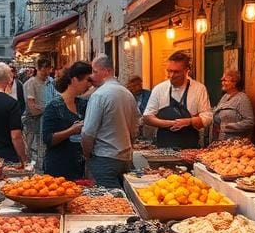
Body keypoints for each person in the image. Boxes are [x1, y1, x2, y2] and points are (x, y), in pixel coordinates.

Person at [81, 55, 140, 188]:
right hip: (125, 157)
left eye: (95, 71)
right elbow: (135, 128)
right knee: (121, 200)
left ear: (107, 71)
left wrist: (86, 153)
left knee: (108, 202)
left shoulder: (99, 95)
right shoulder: (127, 94)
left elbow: (88, 132)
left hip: (104, 157)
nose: (92, 76)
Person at [143, 51, 213, 149]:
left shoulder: (199, 89)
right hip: (163, 146)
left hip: (190, 147)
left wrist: (189, 121)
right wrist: (170, 123)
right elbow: (147, 117)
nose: (171, 75)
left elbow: (207, 117)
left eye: (176, 72)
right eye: (169, 71)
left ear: (186, 70)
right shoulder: (159, 89)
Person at [42, 61, 92, 180]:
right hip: (58, 165)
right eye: (87, 80)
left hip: (79, 165)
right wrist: (71, 131)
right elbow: (48, 139)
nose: (89, 85)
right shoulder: (54, 106)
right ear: (74, 80)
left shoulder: (83, 104)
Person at [23, 58, 56, 167]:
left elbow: (56, 98)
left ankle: (43, 166)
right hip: (33, 121)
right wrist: (48, 108)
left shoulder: (50, 81)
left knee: (44, 146)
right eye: (44, 70)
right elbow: (32, 108)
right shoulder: (30, 84)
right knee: (30, 147)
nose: (47, 73)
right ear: (38, 69)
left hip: (47, 121)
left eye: (49, 69)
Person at [212, 70, 255, 142]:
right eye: (222, 80)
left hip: (235, 143)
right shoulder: (224, 97)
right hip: (220, 141)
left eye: (225, 80)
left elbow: (249, 122)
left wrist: (227, 127)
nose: (222, 83)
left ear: (234, 83)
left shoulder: (242, 98)